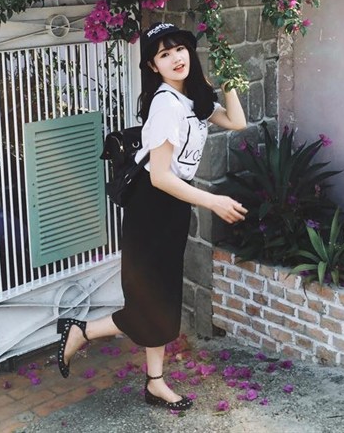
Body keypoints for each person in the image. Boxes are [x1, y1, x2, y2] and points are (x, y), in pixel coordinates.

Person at [56, 22, 248, 411]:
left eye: (180, 49)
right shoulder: (165, 105)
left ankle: (155, 382)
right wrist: (212, 201)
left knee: (162, 295)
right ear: (152, 65)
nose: (176, 58)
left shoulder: (192, 97)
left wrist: (228, 80)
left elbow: (236, 122)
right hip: (152, 204)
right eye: (164, 54)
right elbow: (159, 177)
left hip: (173, 204)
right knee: (152, 301)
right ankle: (82, 331)